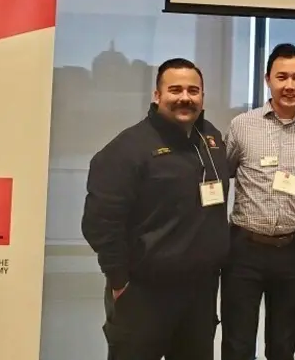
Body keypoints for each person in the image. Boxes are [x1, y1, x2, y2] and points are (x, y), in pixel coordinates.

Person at [81, 58, 229, 360]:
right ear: (157, 96)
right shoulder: (127, 149)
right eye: (175, 90)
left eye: (193, 90)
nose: (185, 97)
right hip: (144, 292)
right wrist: (119, 279)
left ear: (202, 96)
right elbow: (100, 222)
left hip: (200, 293)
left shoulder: (211, 140)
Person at [220, 43, 295, 360]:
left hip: (291, 251)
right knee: (238, 343)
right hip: (244, 250)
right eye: (282, 77)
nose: (290, 86)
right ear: (268, 79)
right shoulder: (242, 126)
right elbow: (223, 176)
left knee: (283, 343)